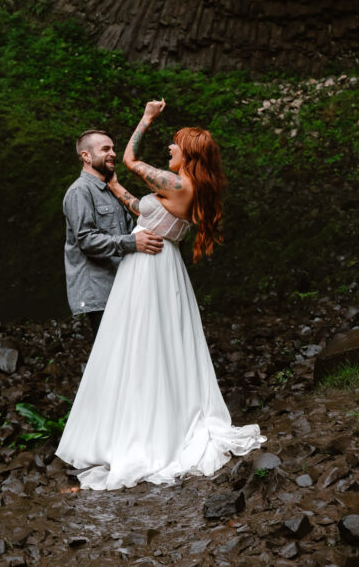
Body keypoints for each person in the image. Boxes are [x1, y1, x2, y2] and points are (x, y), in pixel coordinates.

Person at [56, 100, 266, 490]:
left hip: (149, 265)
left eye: (175, 145)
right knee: (150, 348)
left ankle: (141, 434)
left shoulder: (178, 183)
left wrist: (147, 119)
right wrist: (116, 187)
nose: (169, 149)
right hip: (152, 263)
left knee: (140, 350)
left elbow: (133, 159)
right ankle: (144, 425)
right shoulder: (181, 190)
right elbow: (144, 210)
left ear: (188, 154)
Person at [63, 129, 164, 335]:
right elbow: (87, 240)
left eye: (113, 149)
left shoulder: (110, 191)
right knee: (110, 362)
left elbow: (132, 229)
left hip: (122, 286)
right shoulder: (79, 191)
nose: (113, 154)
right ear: (86, 156)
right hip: (99, 292)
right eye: (105, 149)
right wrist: (132, 242)